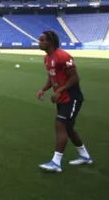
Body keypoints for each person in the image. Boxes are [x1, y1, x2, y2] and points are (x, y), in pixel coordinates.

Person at [36, 30, 93, 173]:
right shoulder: (47, 58)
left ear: (50, 42)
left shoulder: (63, 56)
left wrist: (60, 90)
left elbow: (75, 78)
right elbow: (52, 77)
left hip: (72, 97)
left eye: (42, 40)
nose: (39, 42)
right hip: (62, 98)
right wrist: (43, 89)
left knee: (60, 125)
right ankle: (85, 156)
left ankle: (56, 163)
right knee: (68, 128)